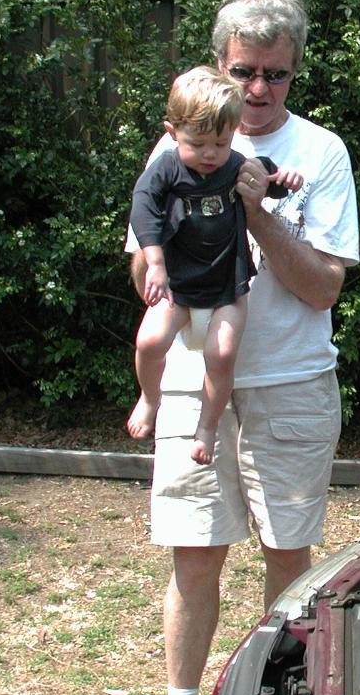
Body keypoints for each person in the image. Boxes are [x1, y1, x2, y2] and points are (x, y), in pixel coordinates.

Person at [129, 0, 360, 695]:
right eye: (244, 72)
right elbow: (140, 264)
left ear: (292, 75)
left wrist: (256, 211)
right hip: (194, 383)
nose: (259, 90)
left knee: (286, 559)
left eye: (276, 76)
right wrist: (167, 262)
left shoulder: (321, 154)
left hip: (292, 384)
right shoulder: (178, 143)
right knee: (195, 556)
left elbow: (323, 288)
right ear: (220, 66)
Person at [127, 65, 302, 465]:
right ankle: (150, 399)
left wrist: (283, 179)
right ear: (172, 133)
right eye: (198, 144)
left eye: (221, 144)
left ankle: (206, 427)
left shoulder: (235, 163)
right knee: (149, 341)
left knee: (221, 353)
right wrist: (155, 263)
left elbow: (268, 178)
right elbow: (143, 208)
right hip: (178, 283)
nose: (210, 155)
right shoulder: (167, 167)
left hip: (227, 282)